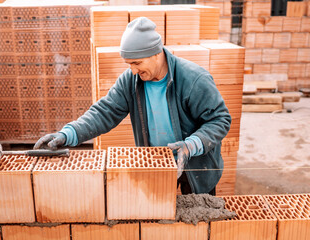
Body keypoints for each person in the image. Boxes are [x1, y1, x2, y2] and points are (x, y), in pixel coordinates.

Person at [34, 17, 231, 195]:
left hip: (195, 166)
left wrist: (191, 146)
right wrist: (68, 134)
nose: (133, 71)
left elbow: (220, 119)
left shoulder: (193, 79)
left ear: (156, 53)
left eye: (137, 63)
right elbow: (105, 111)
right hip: (156, 164)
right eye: (129, 64)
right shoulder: (131, 80)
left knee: (197, 224)